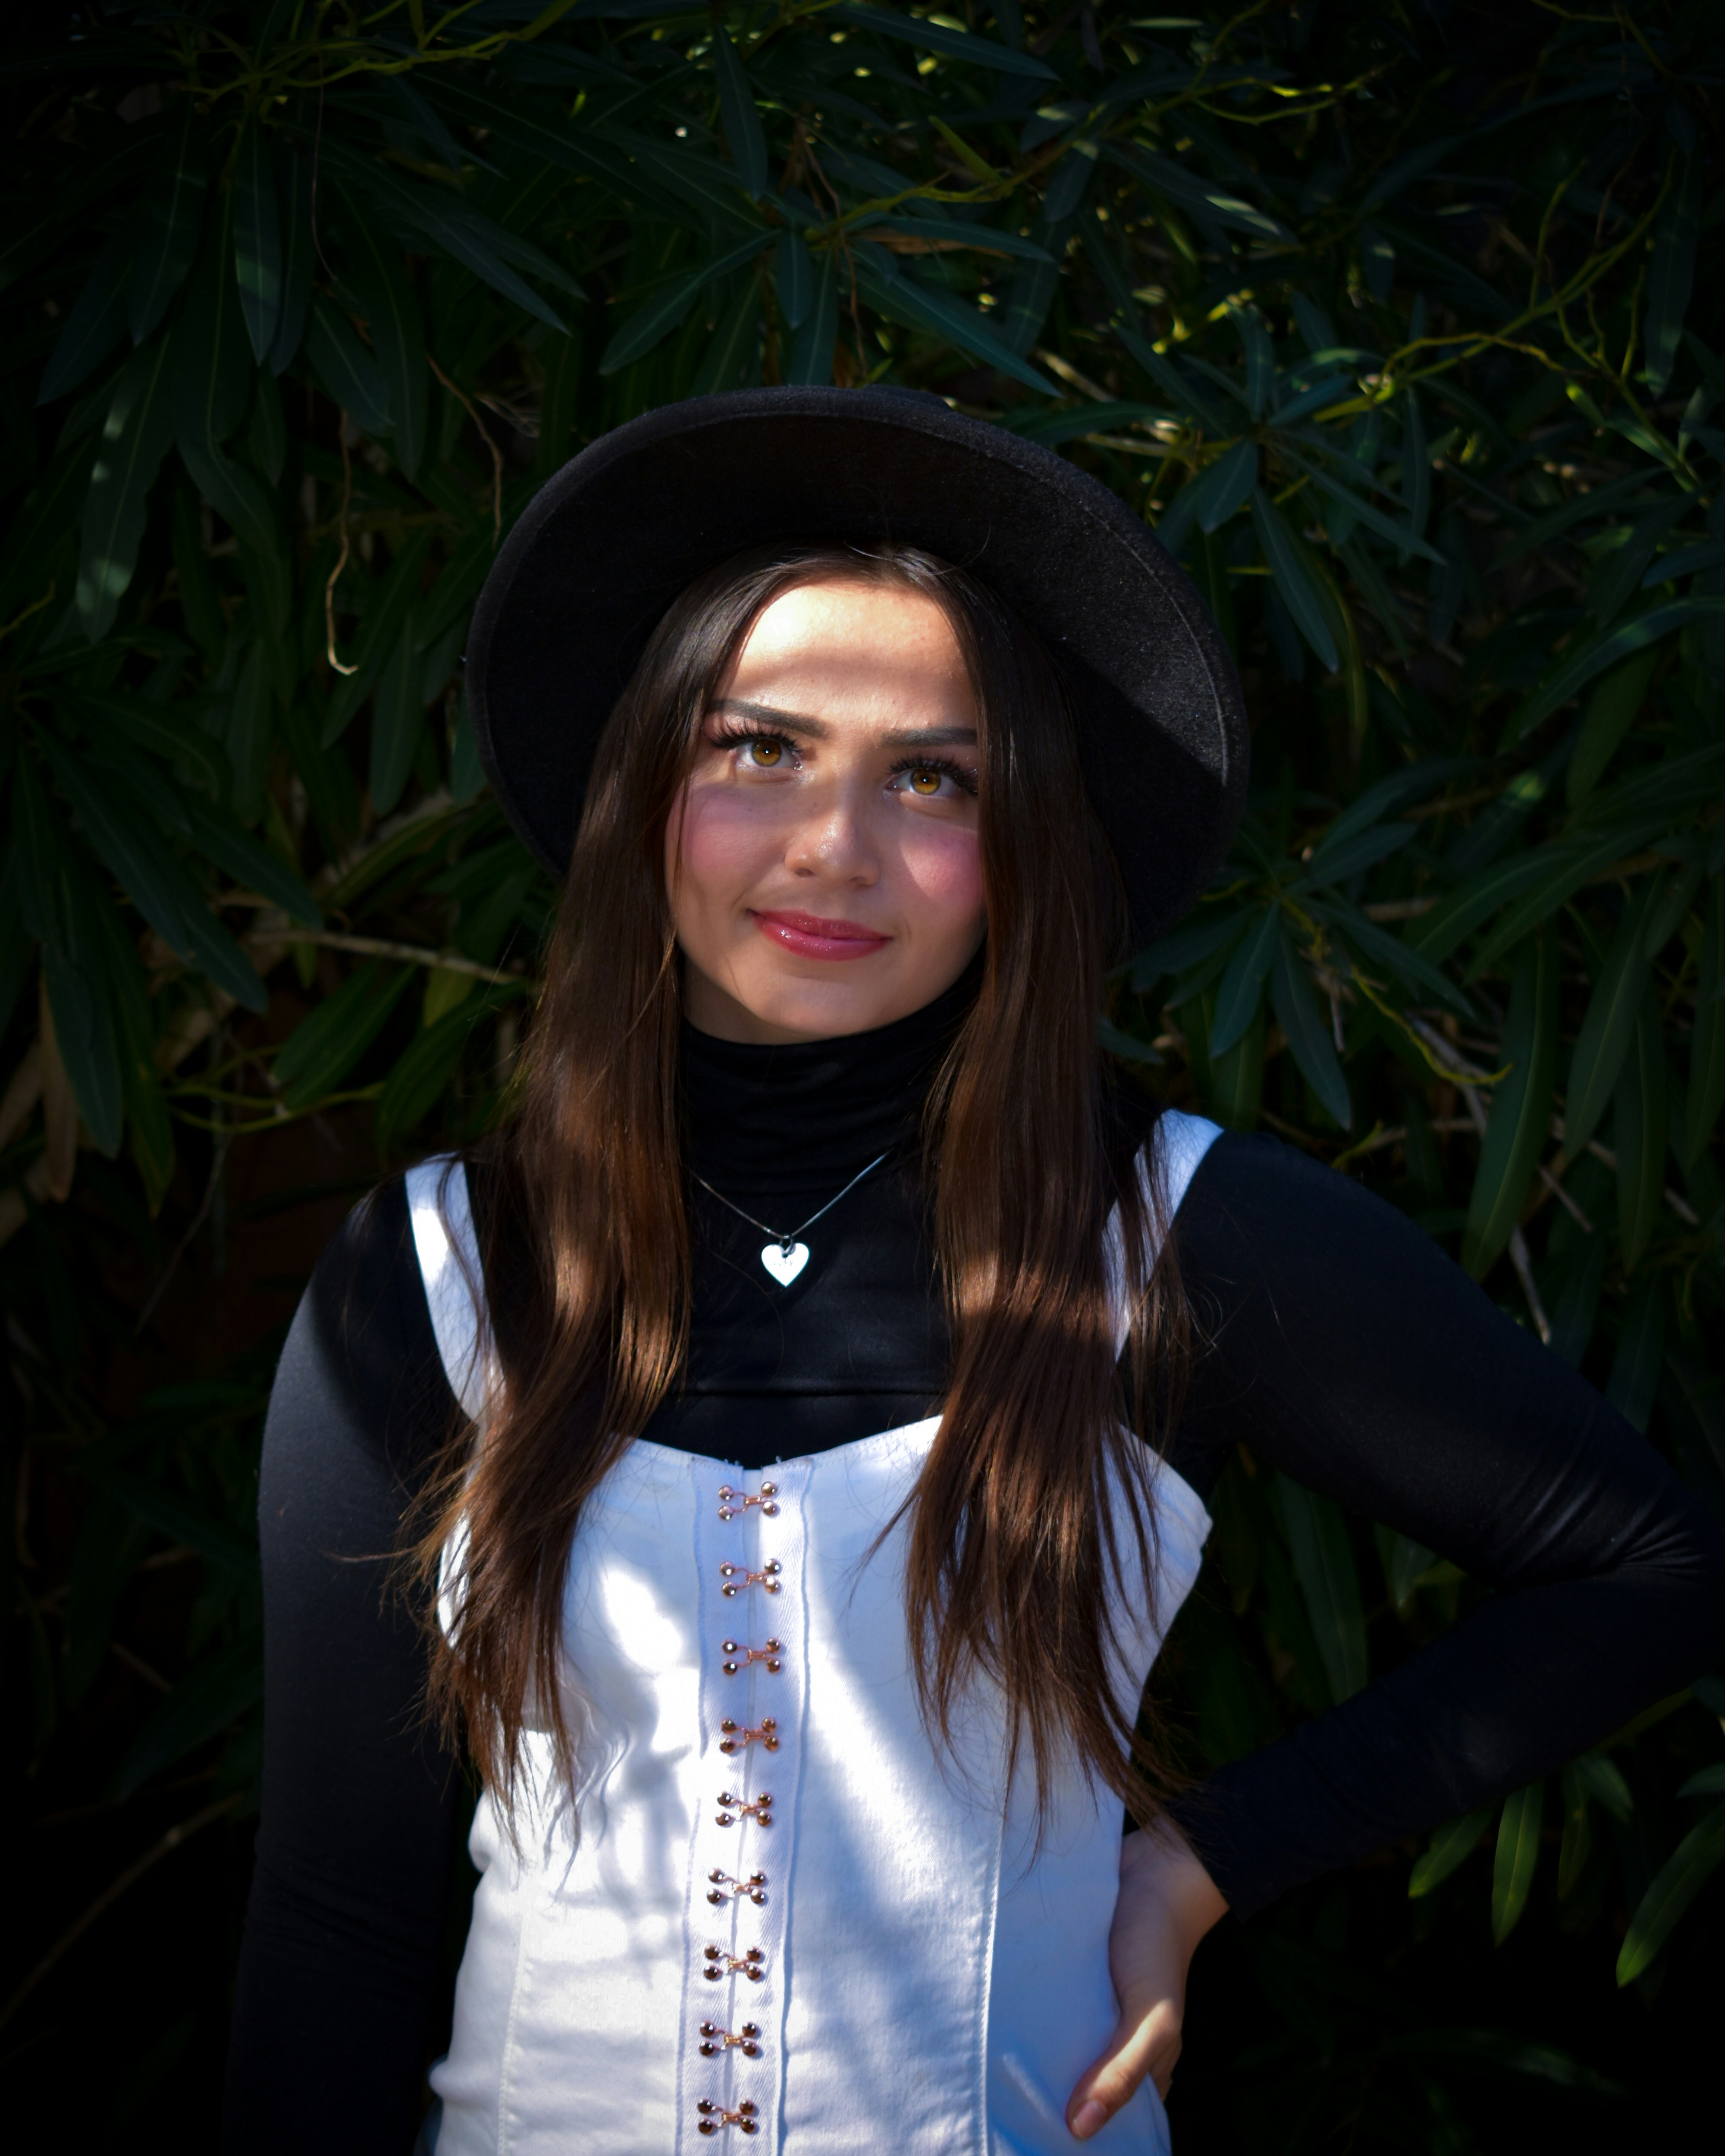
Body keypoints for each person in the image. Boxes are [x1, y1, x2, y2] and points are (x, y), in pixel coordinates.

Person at [223, 389, 1725, 2156]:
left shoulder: (1173, 1235)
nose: (831, 847)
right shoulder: (431, 1273)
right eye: (755, 748)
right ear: (645, 791)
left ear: (1018, 846)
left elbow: (1654, 1558)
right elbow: (343, 1911)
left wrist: (1204, 1860)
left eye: (929, 776)